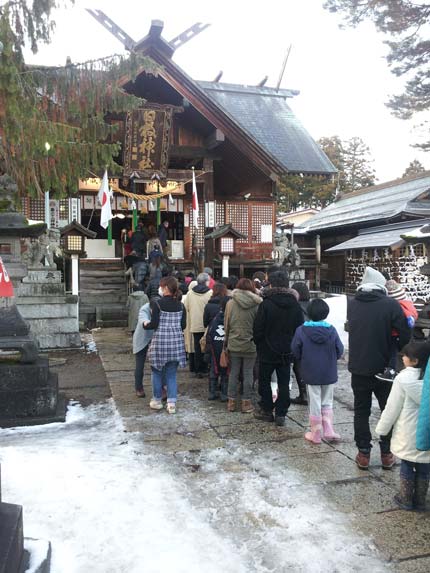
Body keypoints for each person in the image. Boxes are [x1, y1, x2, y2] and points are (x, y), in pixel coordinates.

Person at [348, 266, 410, 470]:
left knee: (361, 411)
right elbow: (404, 335)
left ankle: (363, 453)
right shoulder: (391, 304)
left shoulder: (353, 303)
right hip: (384, 368)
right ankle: (386, 453)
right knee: (388, 410)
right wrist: (399, 347)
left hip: (358, 367)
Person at [375, 342, 430, 511]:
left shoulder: (402, 379)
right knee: (424, 466)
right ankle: (420, 500)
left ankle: (405, 498)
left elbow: (392, 407)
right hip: (425, 433)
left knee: (407, 465)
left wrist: (382, 429)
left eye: (405, 356)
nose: (402, 358)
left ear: (413, 361)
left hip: (407, 433)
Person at [253, 271, 303, 426]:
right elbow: (299, 327)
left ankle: (267, 409)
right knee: (284, 381)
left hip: (267, 348)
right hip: (287, 349)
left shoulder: (266, 303)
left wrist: (259, 342)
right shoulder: (295, 304)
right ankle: (281, 412)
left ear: (272, 284)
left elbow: (258, 327)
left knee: (264, 380)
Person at [291, 299, 344, 443]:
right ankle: (328, 428)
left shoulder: (301, 330)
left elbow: (295, 350)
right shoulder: (331, 330)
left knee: (314, 400)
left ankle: (316, 432)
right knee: (327, 399)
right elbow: (340, 349)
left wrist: (303, 359)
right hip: (328, 371)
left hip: (310, 371)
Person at [143, 276, 187, 414]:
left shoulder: (158, 304)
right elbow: (183, 325)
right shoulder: (181, 305)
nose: (160, 289)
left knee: (156, 371)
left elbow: (154, 324)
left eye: (161, 286)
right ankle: (171, 403)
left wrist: (145, 324)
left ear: (166, 288)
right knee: (171, 374)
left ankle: (156, 400)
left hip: (160, 343)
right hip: (176, 343)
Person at [224, 278, 261, 414]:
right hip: (251, 343)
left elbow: (227, 324)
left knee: (233, 372)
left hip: (234, 342)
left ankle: (231, 403)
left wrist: (226, 342)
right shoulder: (257, 304)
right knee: (248, 372)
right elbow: (258, 326)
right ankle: (246, 403)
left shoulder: (230, 303)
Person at [375, 280, 418, 381]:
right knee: (394, 352)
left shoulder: (399, 306)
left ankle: (391, 371)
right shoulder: (407, 303)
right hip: (397, 333)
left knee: (393, 352)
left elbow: (408, 316)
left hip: (396, 333)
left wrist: (409, 320)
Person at [184, 272, 212, 378]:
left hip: (195, 324)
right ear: (206, 281)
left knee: (197, 347)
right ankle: (205, 368)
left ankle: (197, 370)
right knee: (207, 347)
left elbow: (186, 307)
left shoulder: (190, 293)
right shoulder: (210, 292)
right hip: (206, 325)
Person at [290, 281, 312, 405]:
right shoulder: (312, 305)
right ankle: (308, 393)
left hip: (299, 340)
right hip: (313, 340)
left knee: (298, 367)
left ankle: (303, 394)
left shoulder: (295, 306)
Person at [206, 296, 230, 402]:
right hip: (226, 348)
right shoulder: (230, 318)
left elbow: (209, 333)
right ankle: (224, 394)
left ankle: (212, 392)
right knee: (226, 371)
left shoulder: (215, 318)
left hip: (213, 347)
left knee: (213, 370)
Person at [132, 300, 154, 398]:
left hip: (155, 338)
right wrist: (146, 322)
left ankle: (161, 388)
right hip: (141, 338)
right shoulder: (144, 309)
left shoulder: (161, 307)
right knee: (140, 364)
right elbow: (142, 319)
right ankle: (139, 388)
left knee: (158, 364)